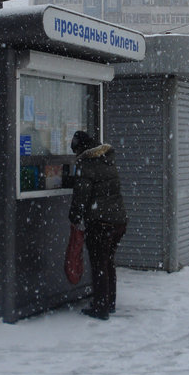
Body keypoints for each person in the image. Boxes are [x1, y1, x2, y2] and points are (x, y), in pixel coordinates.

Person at [68, 131, 127, 320]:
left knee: (99, 264)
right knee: (108, 262)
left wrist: (75, 216)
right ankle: (109, 302)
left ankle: (101, 308)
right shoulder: (107, 160)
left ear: (81, 149)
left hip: (101, 223)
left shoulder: (87, 164)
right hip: (118, 221)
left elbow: (81, 196)